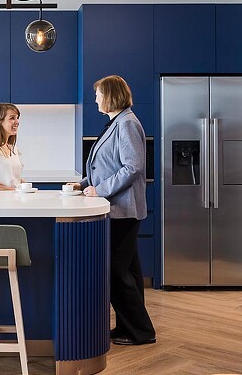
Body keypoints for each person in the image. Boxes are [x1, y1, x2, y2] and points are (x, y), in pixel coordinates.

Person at [80, 75, 156, 346]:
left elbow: (132, 167)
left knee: (115, 273)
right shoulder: (118, 122)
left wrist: (99, 191)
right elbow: (110, 165)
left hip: (123, 210)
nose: (96, 99)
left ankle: (141, 332)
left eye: (98, 94)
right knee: (130, 273)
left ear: (110, 95)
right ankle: (129, 328)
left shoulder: (126, 123)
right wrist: (84, 184)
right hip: (121, 210)